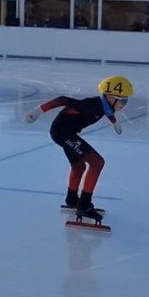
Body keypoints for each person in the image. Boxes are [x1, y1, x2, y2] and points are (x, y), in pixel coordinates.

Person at [23, 75, 132, 223]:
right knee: (97, 163)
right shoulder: (91, 105)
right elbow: (62, 100)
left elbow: (108, 112)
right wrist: (37, 111)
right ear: (111, 98)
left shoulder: (103, 105)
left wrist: (114, 123)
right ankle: (84, 206)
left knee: (78, 166)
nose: (124, 104)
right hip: (62, 133)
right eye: (124, 100)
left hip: (65, 132)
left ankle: (72, 198)